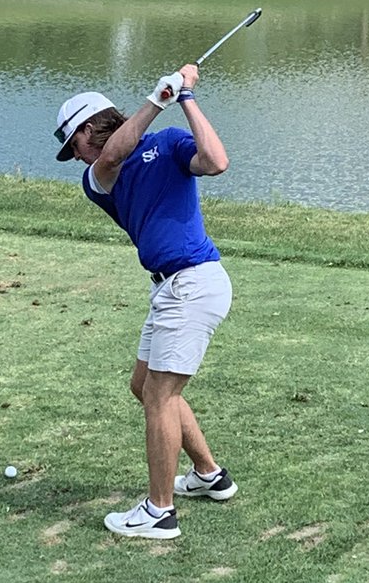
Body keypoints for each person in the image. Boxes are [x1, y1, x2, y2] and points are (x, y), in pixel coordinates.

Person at [54, 64, 237, 540]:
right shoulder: (99, 177)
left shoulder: (171, 141)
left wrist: (186, 100)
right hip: (169, 289)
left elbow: (216, 162)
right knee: (145, 386)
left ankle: (160, 511)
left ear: (88, 129)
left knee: (160, 394)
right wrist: (158, 97)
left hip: (194, 283)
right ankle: (208, 475)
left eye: (71, 144)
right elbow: (113, 155)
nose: (74, 157)